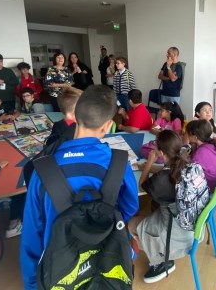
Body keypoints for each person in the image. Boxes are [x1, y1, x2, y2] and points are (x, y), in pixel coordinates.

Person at [20, 85, 139, 289]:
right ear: (108, 125)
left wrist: (32, 284)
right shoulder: (119, 162)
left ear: (74, 116)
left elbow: (32, 233)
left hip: (59, 268)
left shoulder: (42, 169)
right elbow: (129, 208)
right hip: (108, 260)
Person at [128, 130, 207, 283]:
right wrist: (150, 167)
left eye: (155, 147)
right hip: (195, 226)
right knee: (155, 206)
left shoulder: (161, 181)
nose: (153, 149)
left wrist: (150, 162)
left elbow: (142, 185)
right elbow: (168, 170)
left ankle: (160, 261)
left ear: (161, 152)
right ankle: (161, 251)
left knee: (132, 224)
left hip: (179, 234)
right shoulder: (187, 161)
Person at [185, 119, 216, 193]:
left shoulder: (200, 153)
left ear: (195, 137)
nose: (187, 136)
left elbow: (190, 171)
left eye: (188, 134)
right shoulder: (214, 144)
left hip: (210, 188)